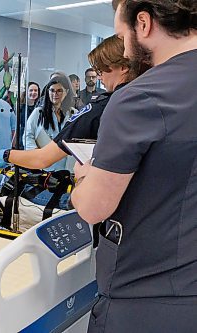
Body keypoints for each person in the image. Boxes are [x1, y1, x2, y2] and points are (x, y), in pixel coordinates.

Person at [71, 1, 197, 332]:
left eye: (121, 35)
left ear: (143, 24)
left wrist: (83, 179)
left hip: (144, 301)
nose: (124, 48)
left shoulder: (139, 98)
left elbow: (94, 208)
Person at [0, 35, 139, 172]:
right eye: (52, 90)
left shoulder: (99, 109)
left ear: (124, 66)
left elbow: (42, 158)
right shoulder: (147, 101)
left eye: (101, 70)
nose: (100, 78)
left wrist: (4, 155)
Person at [22, 75, 75, 171]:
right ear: (48, 92)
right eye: (52, 90)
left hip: (69, 169)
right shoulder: (38, 113)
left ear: (66, 92)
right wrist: (35, 154)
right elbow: (27, 136)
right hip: (46, 170)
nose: (55, 94)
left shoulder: (74, 114)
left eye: (59, 91)